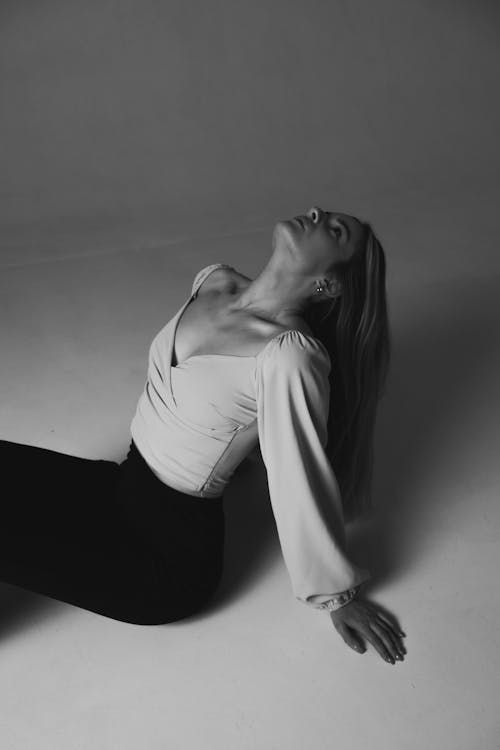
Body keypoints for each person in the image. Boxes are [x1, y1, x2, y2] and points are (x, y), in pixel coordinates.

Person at [0, 206, 406, 665]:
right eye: (323, 212)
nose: (315, 213)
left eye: (335, 230)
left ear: (328, 285)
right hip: (120, 487)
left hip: (163, 556)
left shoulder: (289, 356)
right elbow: (214, 405)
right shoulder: (214, 282)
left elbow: (299, 476)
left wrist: (336, 596)